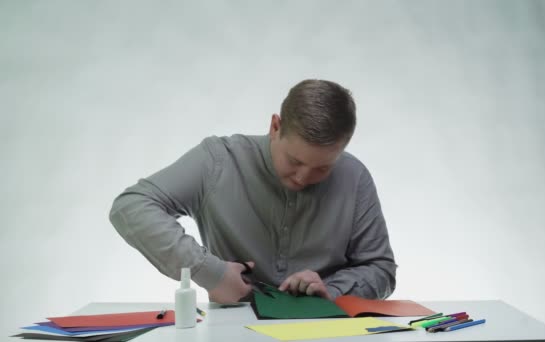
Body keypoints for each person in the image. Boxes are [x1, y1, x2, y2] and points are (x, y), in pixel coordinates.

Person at [109, 79, 397, 303]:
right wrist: (209, 271)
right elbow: (132, 207)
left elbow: (381, 268)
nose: (303, 177)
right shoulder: (217, 161)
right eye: (295, 160)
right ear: (275, 126)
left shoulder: (354, 177)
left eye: (323, 168)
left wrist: (332, 290)